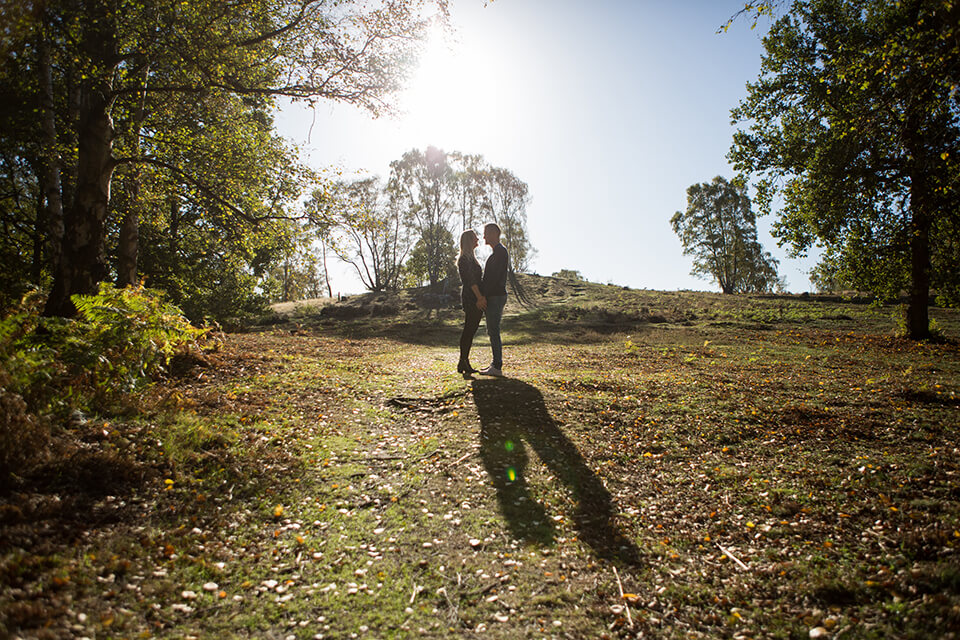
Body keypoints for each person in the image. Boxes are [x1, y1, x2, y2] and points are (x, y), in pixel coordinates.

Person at [480, 223, 508, 377]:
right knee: (492, 330)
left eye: (486, 233)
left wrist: (484, 295)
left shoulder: (500, 252)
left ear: (493, 234)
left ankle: (497, 366)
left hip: (495, 296)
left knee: (494, 330)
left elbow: (494, 278)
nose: (484, 237)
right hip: (494, 295)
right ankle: (495, 363)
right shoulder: (497, 252)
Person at [456, 229, 485, 377]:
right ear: (469, 240)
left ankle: (464, 362)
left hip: (475, 297)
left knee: (471, 330)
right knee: (468, 329)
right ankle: (463, 361)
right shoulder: (464, 260)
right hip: (471, 297)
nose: (478, 239)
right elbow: (470, 281)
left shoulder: (471, 259)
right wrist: (479, 297)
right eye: (475, 237)